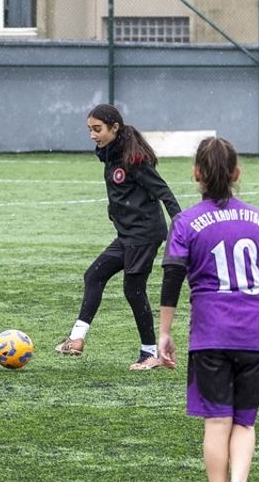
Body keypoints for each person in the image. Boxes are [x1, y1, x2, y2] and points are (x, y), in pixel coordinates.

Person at [158, 136, 259, 482]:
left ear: (196, 174)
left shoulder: (185, 222)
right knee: (244, 423)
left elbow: (172, 279)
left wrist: (163, 333)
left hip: (211, 333)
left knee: (216, 422)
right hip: (255, 329)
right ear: (236, 174)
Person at [56, 104, 182, 369]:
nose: (92, 135)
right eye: (89, 129)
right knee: (94, 275)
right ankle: (76, 339)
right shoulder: (111, 154)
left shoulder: (133, 159)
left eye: (97, 129)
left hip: (144, 234)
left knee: (133, 289)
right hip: (127, 235)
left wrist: (181, 224)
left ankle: (150, 353)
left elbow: (163, 191)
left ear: (115, 128)